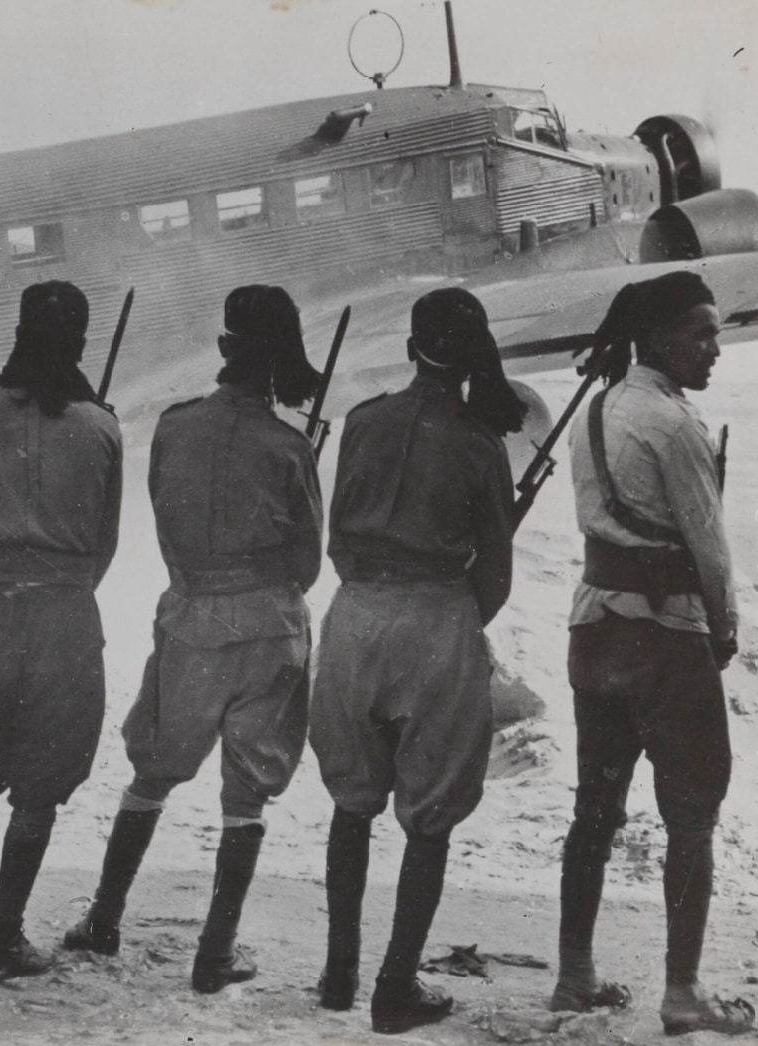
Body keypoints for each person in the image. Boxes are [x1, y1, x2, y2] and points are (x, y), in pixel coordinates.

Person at [62, 285, 321, 994]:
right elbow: (308, 564)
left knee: (152, 772)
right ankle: (217, 949)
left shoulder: (175, 428)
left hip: (191, 619)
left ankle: (104, 919)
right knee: (246, 794)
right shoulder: (290, 445)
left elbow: (164, 520)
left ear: (224, 349)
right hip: (270, 628)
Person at [309, 287, 523, 1034]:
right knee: (428, 815)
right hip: (436, 618)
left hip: (354, 615)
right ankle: (394, 988)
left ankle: (338, 974)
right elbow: (495, 573)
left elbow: (336, 533)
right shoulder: (479, 440)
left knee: (351, 800)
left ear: (410, 346)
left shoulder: (364, 422)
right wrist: (453, 621)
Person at [550, 271, 752, 1035]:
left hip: (595, 628)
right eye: (702, 332)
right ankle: (682, 992)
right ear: (662, 338)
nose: (714, 349)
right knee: (692, 815)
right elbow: (709, 547)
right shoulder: (674, 425)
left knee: (593, 812)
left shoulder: (596, 410)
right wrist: (724, 632)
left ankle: (574, 976)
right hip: (666, 638)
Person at [0, 281, 122, 981]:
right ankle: (1, 940)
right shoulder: (102, 426)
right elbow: (106, 541)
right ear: (79, 342)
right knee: (39, 785)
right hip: (63, 613)